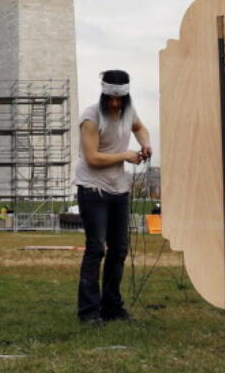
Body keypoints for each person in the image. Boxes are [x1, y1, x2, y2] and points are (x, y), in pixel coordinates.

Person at [74, 69, 152, 325]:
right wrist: (125, 156)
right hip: (92, 189)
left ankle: (111, 307)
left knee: (118, 250)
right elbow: (93, 158)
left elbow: (139, 127)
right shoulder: (91, 117)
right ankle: (88, 311)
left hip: (119, 189)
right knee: (96, 248)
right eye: (110, 98)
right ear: (103, 95)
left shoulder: (129, 112)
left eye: (120, 99)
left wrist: (145, 144)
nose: (115, 103)